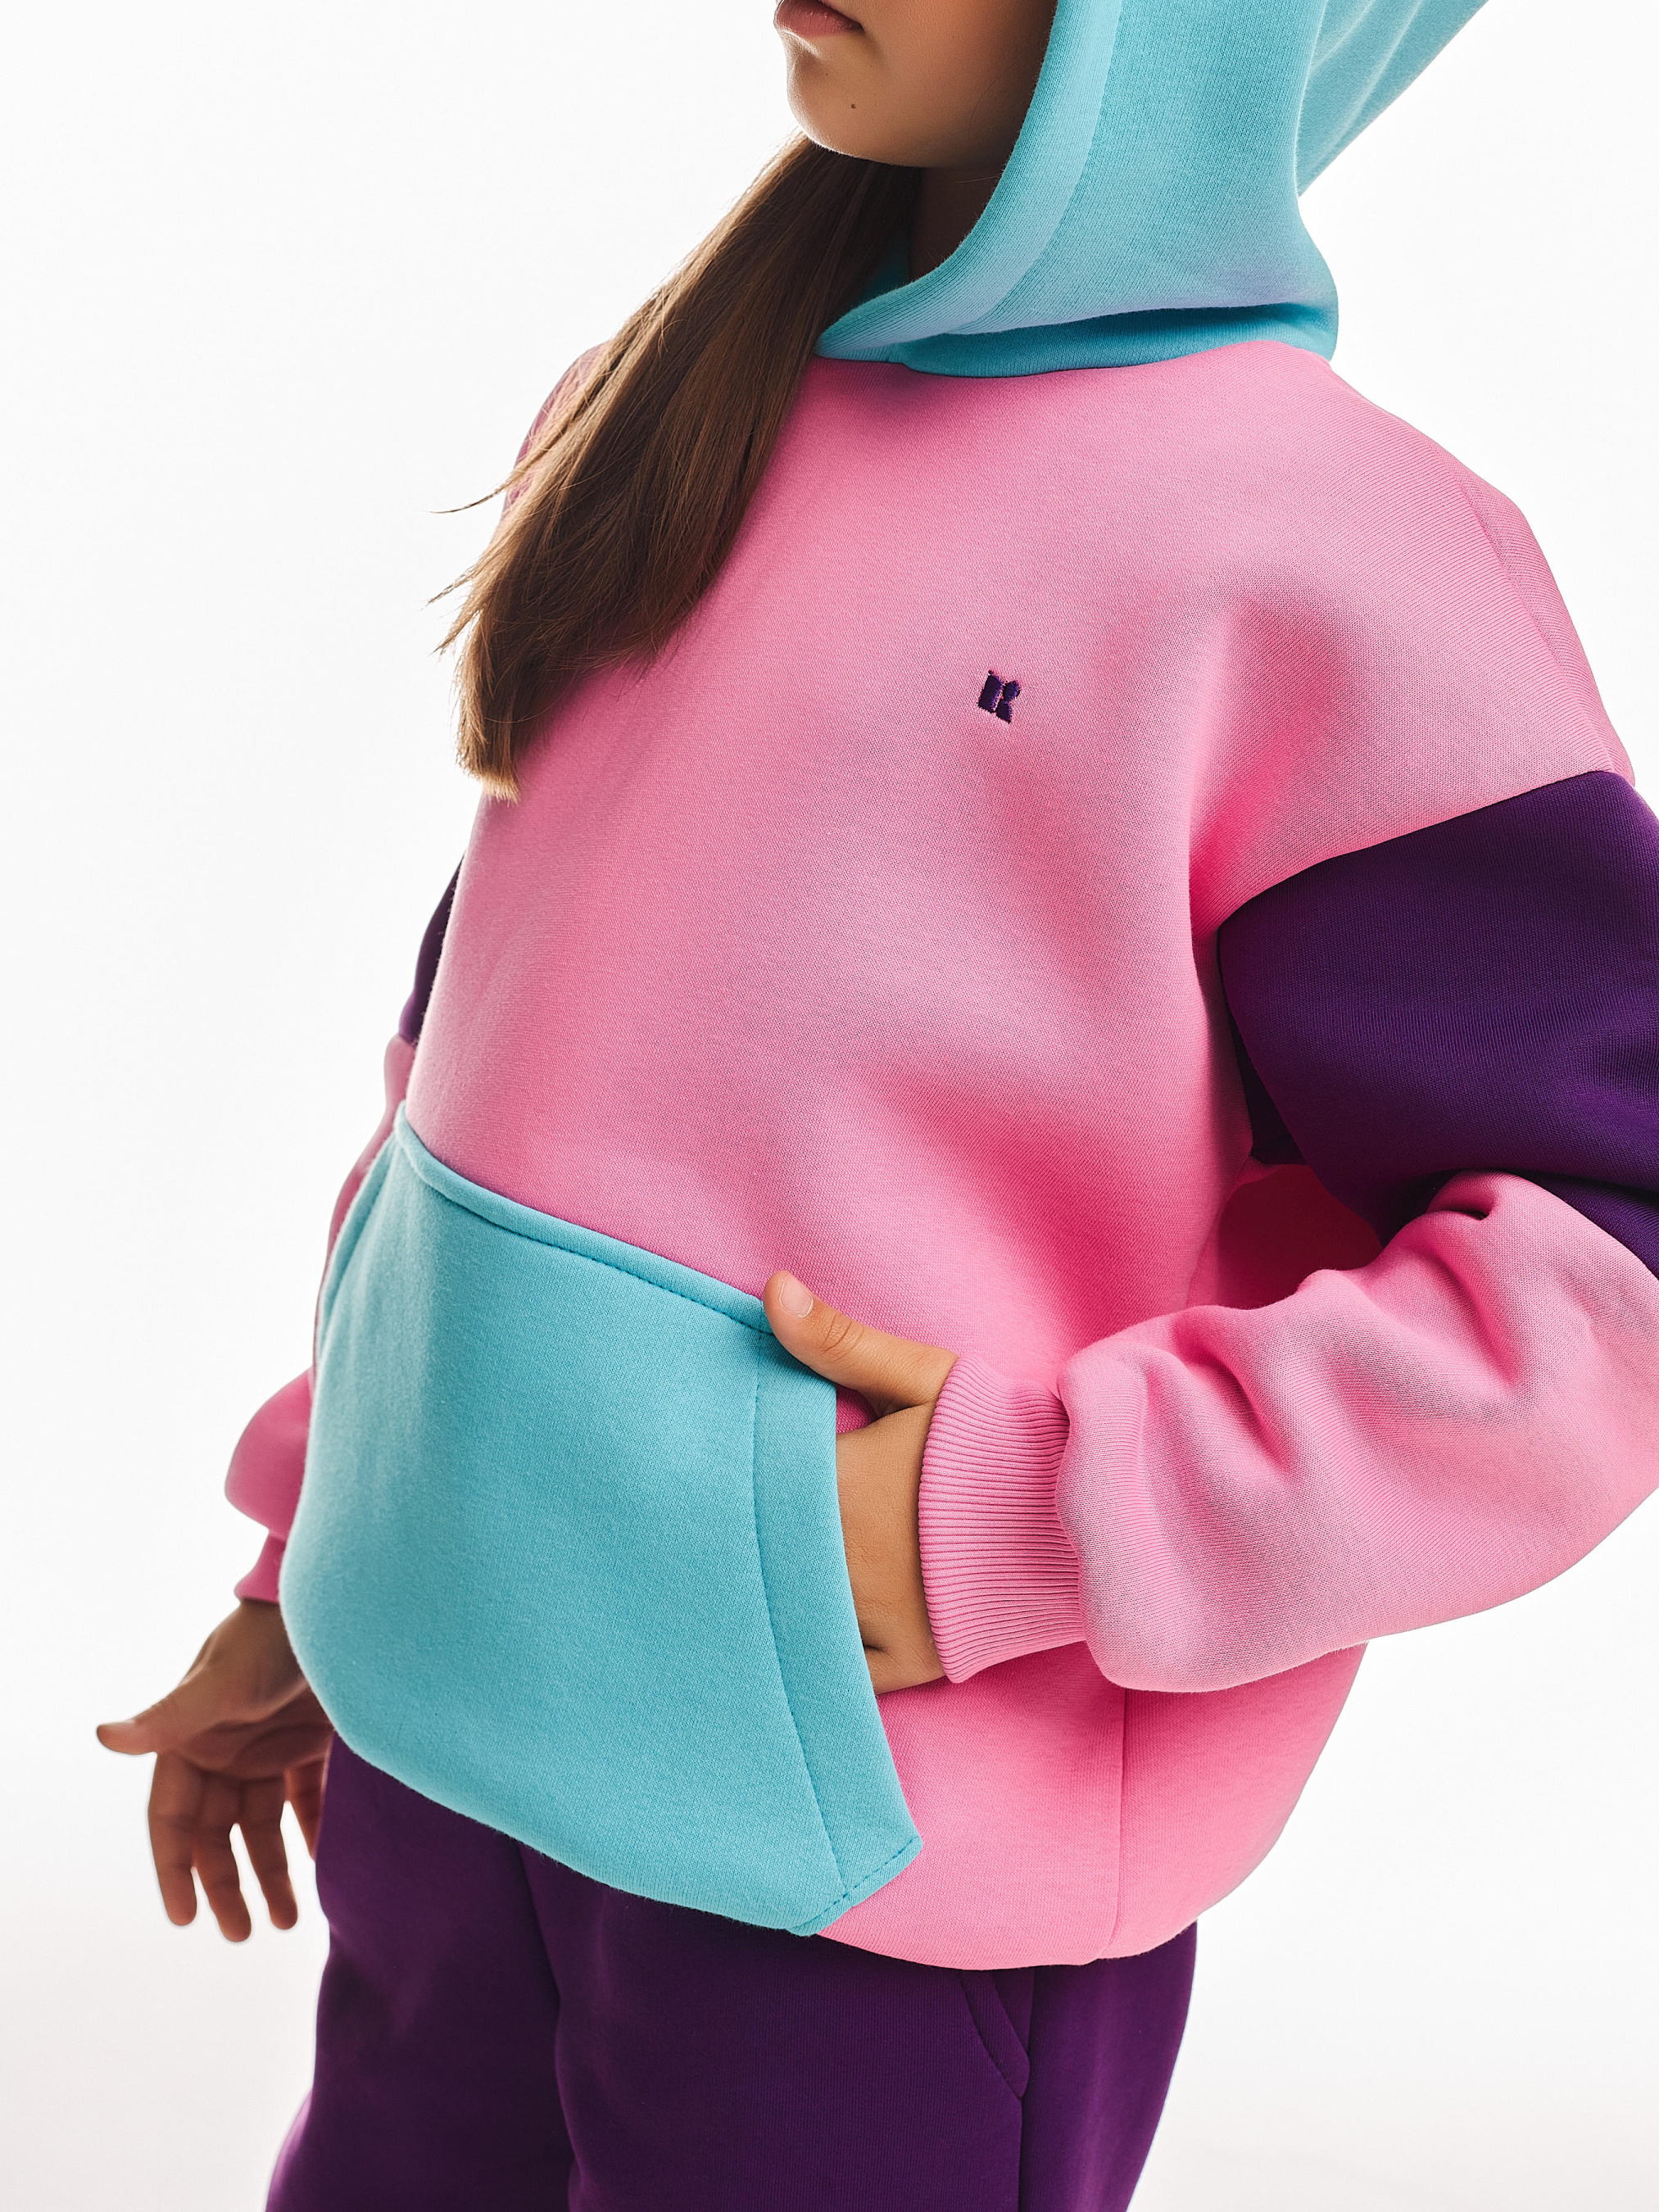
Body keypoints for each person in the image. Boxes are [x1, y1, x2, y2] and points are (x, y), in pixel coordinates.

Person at [97, 2, 1659, 2205]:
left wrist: (1030, 1517)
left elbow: (1604, 1274)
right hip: (439, 1748)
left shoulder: (1327, 559)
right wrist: (313, 1560)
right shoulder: (672, 399)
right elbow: (484, 1072)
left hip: (873, 1876)